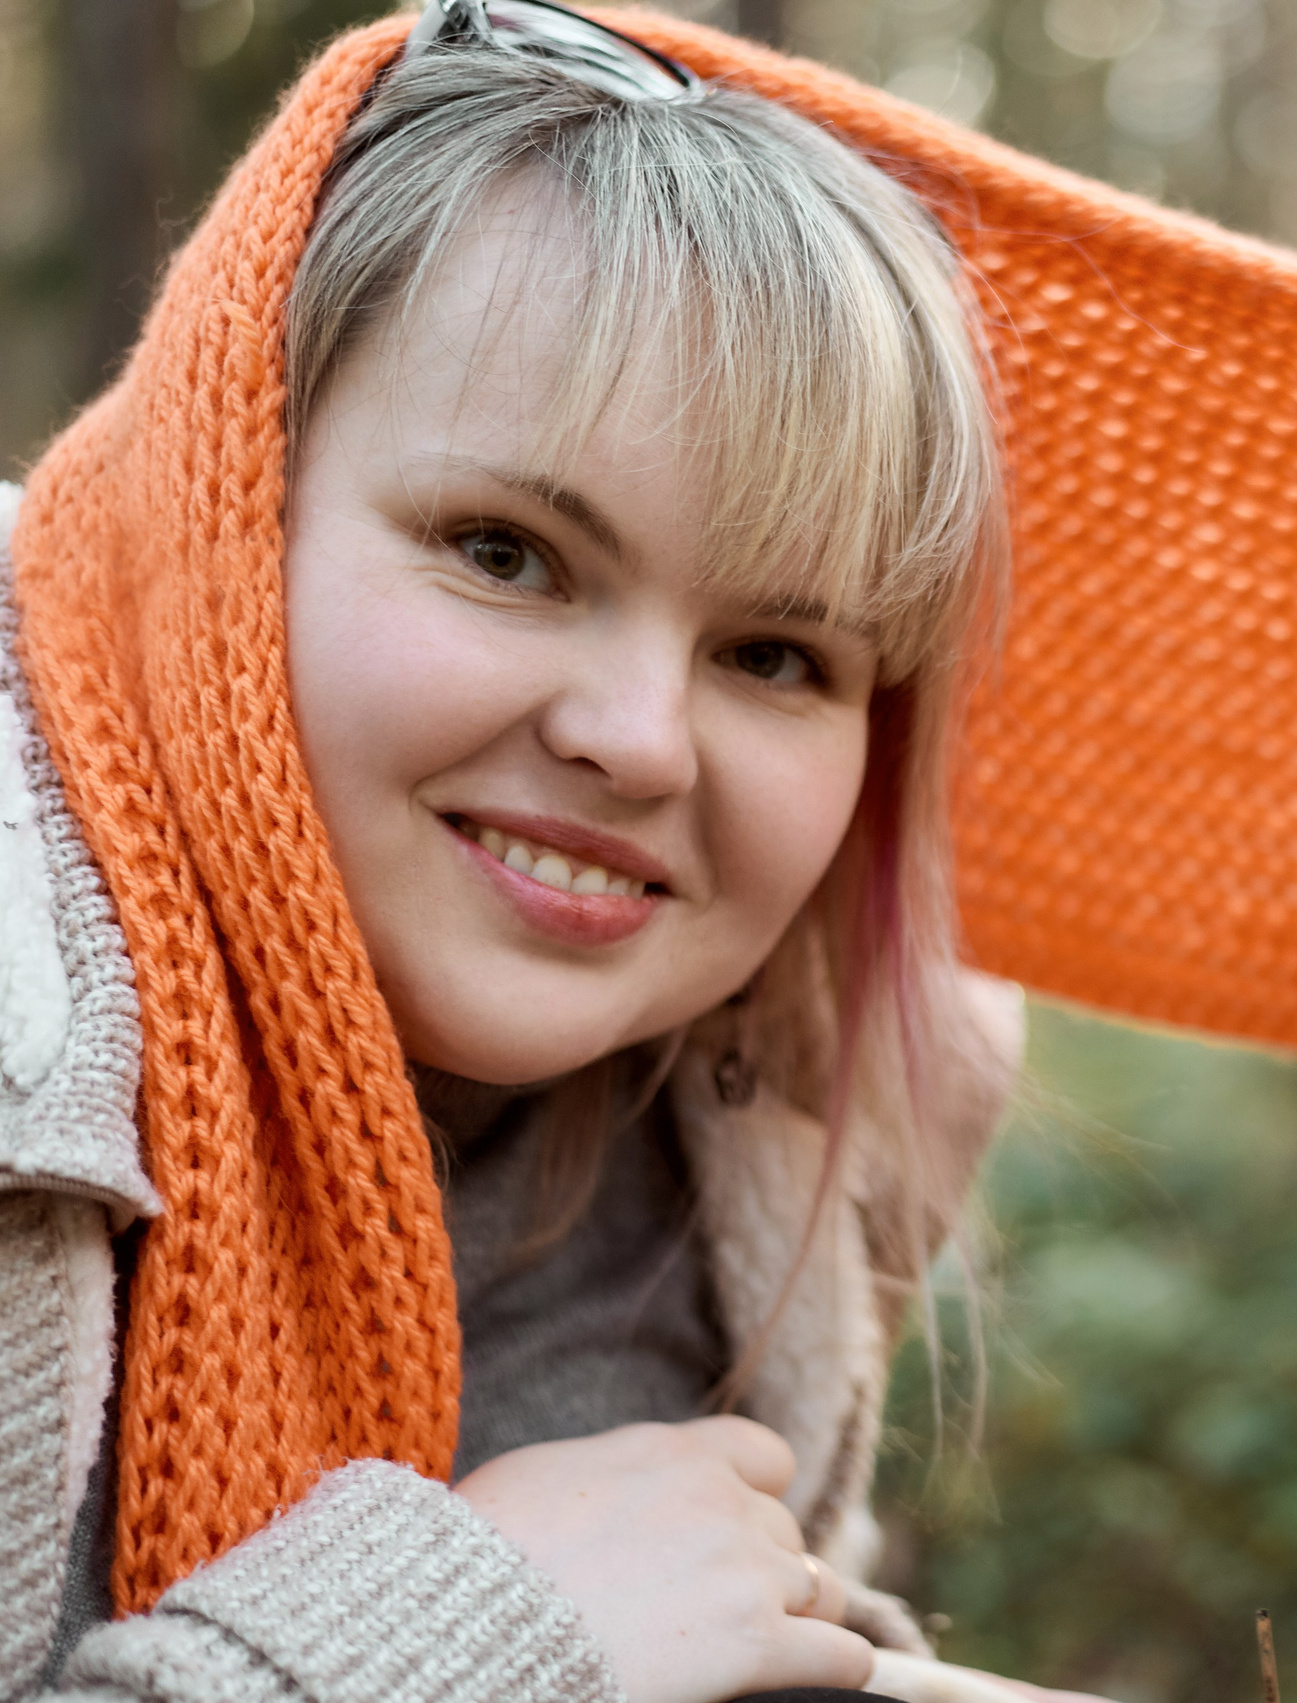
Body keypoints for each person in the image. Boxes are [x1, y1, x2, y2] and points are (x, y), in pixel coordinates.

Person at [0, 5, 1080, 1701]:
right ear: (228, 487)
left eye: (779, 655)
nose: (641, 740)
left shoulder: (795, 1098)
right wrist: (485, 1635)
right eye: (506, 552)